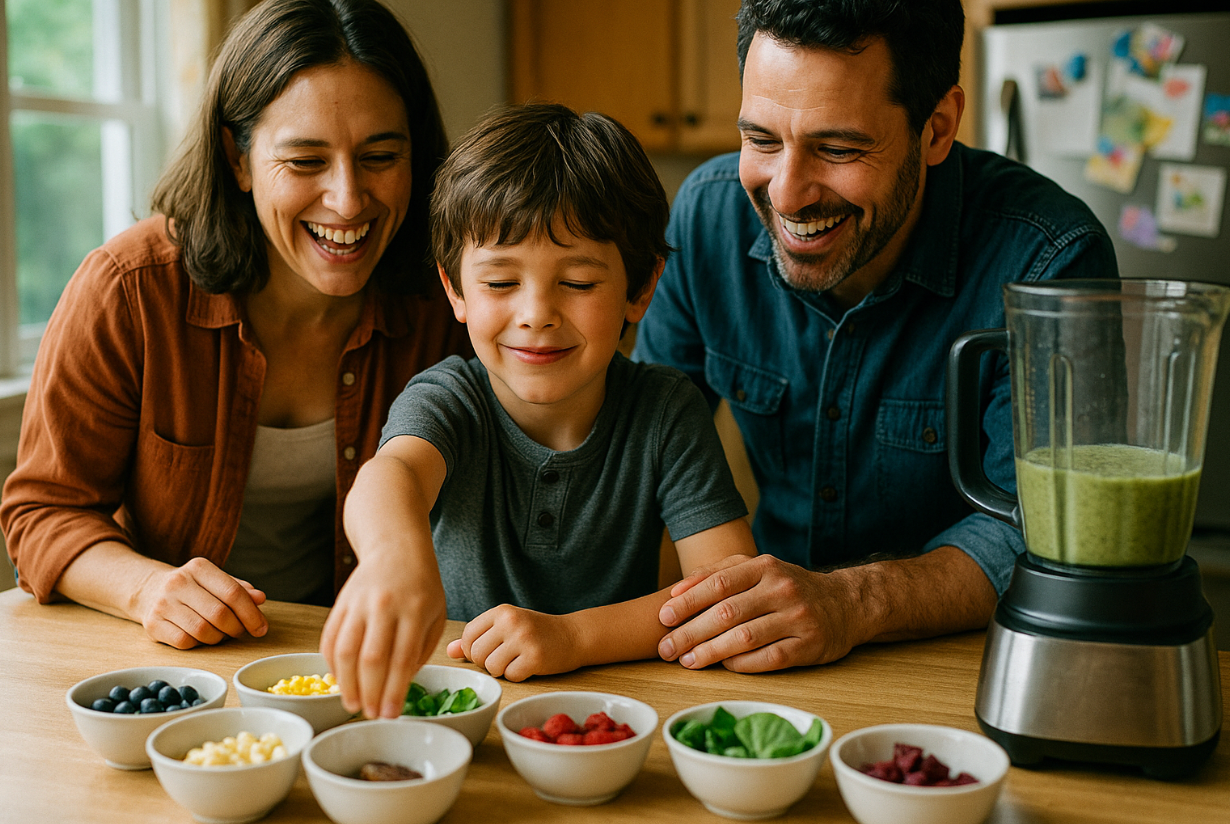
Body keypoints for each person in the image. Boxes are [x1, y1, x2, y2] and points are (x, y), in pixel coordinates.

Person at [632, 0, 1118, 672]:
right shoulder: (706, 216)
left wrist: (848, 602)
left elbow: (1043, 533)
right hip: (768, 663)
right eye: (762, 140)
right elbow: (635, 450)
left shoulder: (1050, 260)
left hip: (974, 670)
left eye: (837, 148)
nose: (788, 193)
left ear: (938, 127)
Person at [0, 0, 469, 649]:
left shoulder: (446, 302)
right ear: (238, 158)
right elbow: (41, 513)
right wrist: (147, 590)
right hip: (174, 664)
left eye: (380, 156)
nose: (348, 199)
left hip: (357, 664)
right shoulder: (130, 290)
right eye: (305, 161)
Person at [321, 102, 758, 719]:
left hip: (612, 713)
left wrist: (573, 638)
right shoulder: (450, 398)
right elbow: (390, 477)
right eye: (501, 283)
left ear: (641, 288)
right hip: (453, 708)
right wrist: (394, 559)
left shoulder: (666, 411)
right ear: (455, 290)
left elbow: (727, 592)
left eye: (578, 283)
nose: (536, 313)